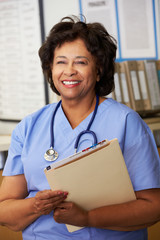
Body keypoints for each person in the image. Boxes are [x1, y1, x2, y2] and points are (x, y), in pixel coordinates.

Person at [0, 15, 160, 240]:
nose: (69, 71)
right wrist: (36, 205)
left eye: (81, 62)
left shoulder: (126, 123)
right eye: (61, 62)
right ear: (50, 69)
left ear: (98, 71)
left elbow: (153, 207)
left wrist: (88, 217)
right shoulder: (29, 127)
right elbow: (5, 212)